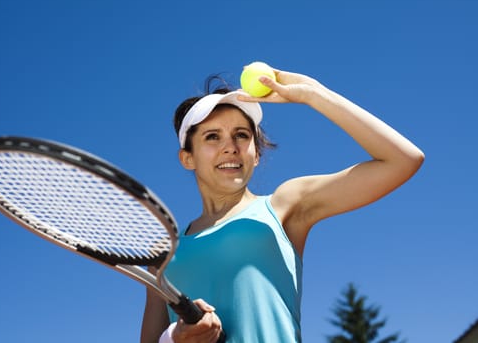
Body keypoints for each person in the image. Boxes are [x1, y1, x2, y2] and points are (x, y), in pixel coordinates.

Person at [140, 66, 424, 343]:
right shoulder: (165, 254)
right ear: (187, 158)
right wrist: (177, 339)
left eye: (242, 135)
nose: (231, 146)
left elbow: (403, 160)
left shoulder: (284, 205)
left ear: (256, 155)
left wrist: (313, 94)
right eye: (212, 136)